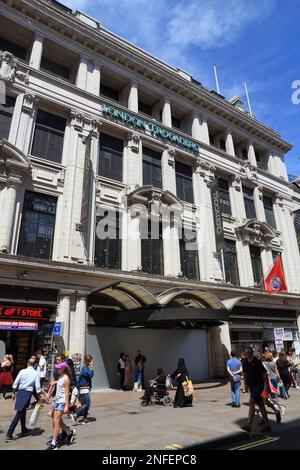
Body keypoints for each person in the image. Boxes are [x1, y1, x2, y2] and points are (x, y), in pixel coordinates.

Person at [6, 358, 41, 441]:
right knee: (19, 413)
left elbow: (15, 383)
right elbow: (37, 387)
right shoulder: (36, 373)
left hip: (20, 392)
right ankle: (9, 433)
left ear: (27, 364)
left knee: (22, 411)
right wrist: (38, 397)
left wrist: (14, 393)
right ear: (34, 365)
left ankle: (23, 429)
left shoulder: (22, 371)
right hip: (27, 393)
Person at [46, 361, 76, 450]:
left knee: (56, 421)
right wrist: (53, 399)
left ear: (63, 369)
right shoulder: (60, 377)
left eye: (59, 368)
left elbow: (67, 393)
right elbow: (59, 391)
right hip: (57, 401)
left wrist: (67, 405)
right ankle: (67, 431)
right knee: (55, 419)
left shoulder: (66, 378)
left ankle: (54, 443)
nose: (57, 369)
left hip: (62, 402)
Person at [241, 347, 271, 433]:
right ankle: (267, 425)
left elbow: (265, 375)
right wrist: (245, 386)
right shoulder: (245, 362)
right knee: (261, 405)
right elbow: (245, 375)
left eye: (249, 352)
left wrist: (268, 387)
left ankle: (248, 425)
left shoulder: (257, 362)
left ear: (252, 353)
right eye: (246, 353)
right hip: (252, 387)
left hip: (259, 386)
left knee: (251, 402)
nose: (247, 354)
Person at [262, 352, 282, 423]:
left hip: (267, 381)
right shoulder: (273, 363)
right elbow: (277, 371)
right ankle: (277, 408)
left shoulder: (264, 363)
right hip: (274, 379)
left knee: (264, 397)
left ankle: (271, 407)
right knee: (273, 395)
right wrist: (279, 378)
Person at [74, 354, 94, 424]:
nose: (91, 362)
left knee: (86, 404)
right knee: (87, 404)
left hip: (85, 388)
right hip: (83, 388)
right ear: (88, 361)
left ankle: (85, 418)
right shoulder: (85, 368)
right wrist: (91, 367)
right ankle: (76, 414)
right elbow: (91, 375)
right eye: (90, 361)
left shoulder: (86, 367)